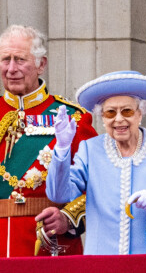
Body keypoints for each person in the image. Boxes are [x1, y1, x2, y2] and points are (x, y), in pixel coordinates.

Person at [46, 70, 146, 255]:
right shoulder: (90, 150)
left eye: (127, 111)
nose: (118, 119)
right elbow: (59, 194)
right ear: (102, 117)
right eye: (110, 112)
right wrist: (61, 148)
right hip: (101, 264)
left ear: (140, 113)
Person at [0, 25, 97, 257]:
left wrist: (68, 217)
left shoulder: (73, 117)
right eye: (5, 60)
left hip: (48, 243)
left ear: (41, 65)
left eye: (20, 59)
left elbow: (98, 185)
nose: (11, 69)